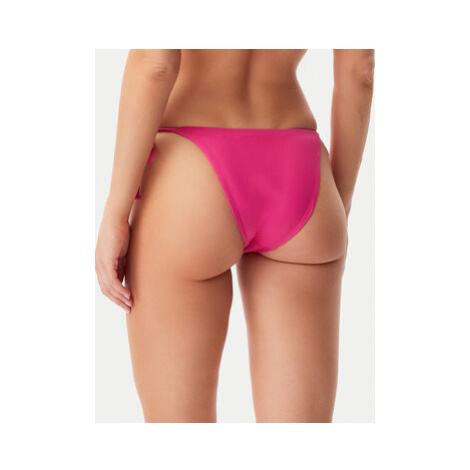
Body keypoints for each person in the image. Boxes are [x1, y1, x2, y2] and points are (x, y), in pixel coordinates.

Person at [95, 49, 374, 423]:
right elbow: (360, 71)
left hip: (189, 172)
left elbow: (155, 64)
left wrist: (115, 212)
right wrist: (339, 199)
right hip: (298, 169)